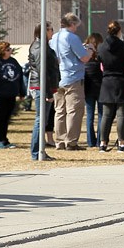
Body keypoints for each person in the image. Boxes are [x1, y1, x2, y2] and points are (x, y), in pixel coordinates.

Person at [50, 13, 92, 150]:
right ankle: (71, 142)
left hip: (58, 78)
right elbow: (84, 58)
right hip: (73, 77)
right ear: (72, 24)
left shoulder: (54, 37)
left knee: (59, 111)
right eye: (76, 26)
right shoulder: (72, 37)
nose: (76, 29)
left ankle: (60, 140)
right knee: (74, 110)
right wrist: (90, 50)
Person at [98, 21, 124, 152]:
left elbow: (100, 63)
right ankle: (121, 144)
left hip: (107, 82)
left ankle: (103, 143)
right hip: (122, 82)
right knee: (122, 115)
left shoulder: (101, 47)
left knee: (106, 115)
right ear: (119, 31)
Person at [28, 23, 60, 160]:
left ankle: (40, 151)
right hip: (41, 88)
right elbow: (42, 71)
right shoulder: (39, 47)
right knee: (40, 120)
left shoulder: (44, 45)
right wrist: (48, 93)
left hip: (45, 87)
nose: (53, 32)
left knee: (43, 120)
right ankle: (37, 152)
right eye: (51, 29)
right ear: (45, 31)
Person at [0, 41, 26, 148]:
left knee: (5, 118)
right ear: (1, 51)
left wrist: (22, 92)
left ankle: (4, 139)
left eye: (10, 49)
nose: (10, 51)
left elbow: (20, 77)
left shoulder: (13, 61)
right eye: (8, 49)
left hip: (10, 95)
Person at [83, 33, 104, 148]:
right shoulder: (101, 57)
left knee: (90, 116)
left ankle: (90, 141)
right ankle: (100, 140)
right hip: (100, 88)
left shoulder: (85, 58)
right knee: (101, 115)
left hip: (88, 89)